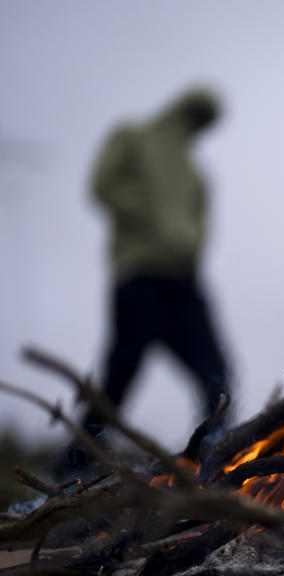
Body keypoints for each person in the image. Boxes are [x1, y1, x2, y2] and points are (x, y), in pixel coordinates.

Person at [55, 87, 231, 476]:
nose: (197, 127)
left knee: (218, 378)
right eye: (195, 116)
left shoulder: (196, 176)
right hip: (137, 277)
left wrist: (188, 245)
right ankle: (69, 470)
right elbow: (103, 186)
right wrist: (156, 219)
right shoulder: (131, 138)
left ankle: (214, 469)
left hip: (185, 284)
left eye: (205, 123)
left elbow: (201, 227)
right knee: (119, 381)